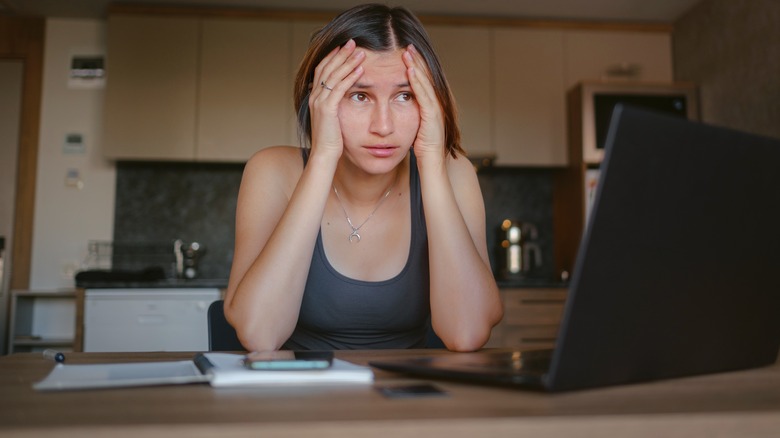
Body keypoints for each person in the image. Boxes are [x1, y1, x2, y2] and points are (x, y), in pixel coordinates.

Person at [224, 3, 502, 352]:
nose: (383, 127)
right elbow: (259, 334)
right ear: (322, 99)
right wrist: (323, 155)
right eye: (359, 96)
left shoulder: (453, 171)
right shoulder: (272, 170)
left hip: (407, 398)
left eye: (405, 96)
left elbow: (467, 333)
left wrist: (431, 160)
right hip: (297, 397)